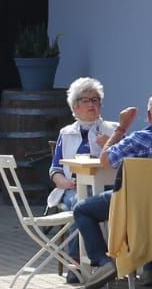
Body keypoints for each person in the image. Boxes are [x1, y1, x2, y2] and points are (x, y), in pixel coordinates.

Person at [70, 91, 152, 287]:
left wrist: (121, 127)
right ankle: (149, 269)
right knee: (151, 211)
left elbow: (105, 160)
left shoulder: (138, 140)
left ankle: (104, 262)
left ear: (148, 115)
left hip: (135, 207)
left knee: (82, 208)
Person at [46, 77, 118, 214]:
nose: (91, 105)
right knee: (81, 203)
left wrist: (112, 144)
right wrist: (65, 183)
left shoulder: (114, 130)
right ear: (75, 107)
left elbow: (128, 162)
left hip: (108, 187)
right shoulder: (66, 133)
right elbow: (55, 169)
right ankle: (83, 236)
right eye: (85, 101)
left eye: (95, 100)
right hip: (74, 189)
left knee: (91, 204)